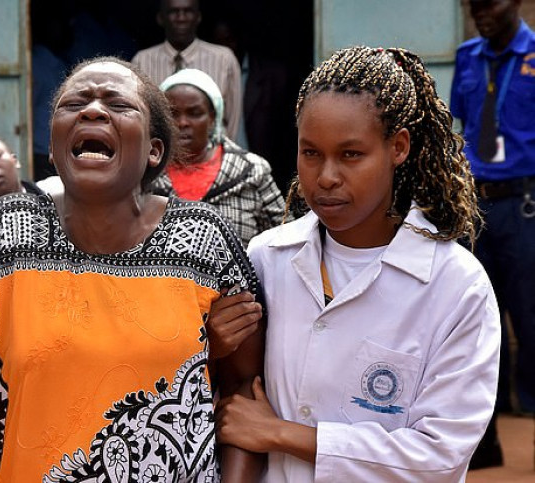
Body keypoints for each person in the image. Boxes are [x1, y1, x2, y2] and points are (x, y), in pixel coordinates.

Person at [0, 56, 264, 482]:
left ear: (154, 150)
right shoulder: (7, 233)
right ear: (53, 145)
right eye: (75, 103)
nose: (93, 110)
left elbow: (243, 388)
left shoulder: (202, 241)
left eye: (118, 104)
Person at [216, 46, 500, 482]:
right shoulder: (267, 258)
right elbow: (234, 398)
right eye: (311, 153)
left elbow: (440, 456)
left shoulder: (456, 286)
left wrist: (283, 434)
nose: (326, 177)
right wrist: (213, 348)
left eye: (350, 155)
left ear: (398, 147)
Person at [450, 0, 535, 469]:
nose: (480, 10)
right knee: (480, 320)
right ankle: (484, 442)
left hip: (525, 205)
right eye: (473, 4)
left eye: (491, 2)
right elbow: (462, 124)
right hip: (477, 205)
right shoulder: (468, 57)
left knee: (530, 317)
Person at [151, 68, 284, 246]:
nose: (182, 123)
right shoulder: (145, 171)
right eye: (173, 113)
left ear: (213, 117)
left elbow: (285, 239)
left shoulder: (252, 171)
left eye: (194, 113)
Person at [132, 0, 242, 141]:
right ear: (160, 18)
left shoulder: (224, 59)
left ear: (198, 17)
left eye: (188, 11)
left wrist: (224, 153)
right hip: (159, 150)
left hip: (213, 151)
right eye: (173, 12)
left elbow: (233, 120)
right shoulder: (142, 61)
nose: (181, 18)